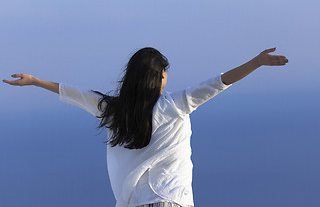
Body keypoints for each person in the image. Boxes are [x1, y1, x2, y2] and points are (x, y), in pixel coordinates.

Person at [2, 47, 288, 207]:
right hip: (170, 200)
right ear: (160, 76)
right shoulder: (177, 104)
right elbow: (220, 81)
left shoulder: (114, 110)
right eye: (165, 72)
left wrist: (36, 81)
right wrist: (256, 62)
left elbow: (74, 93)